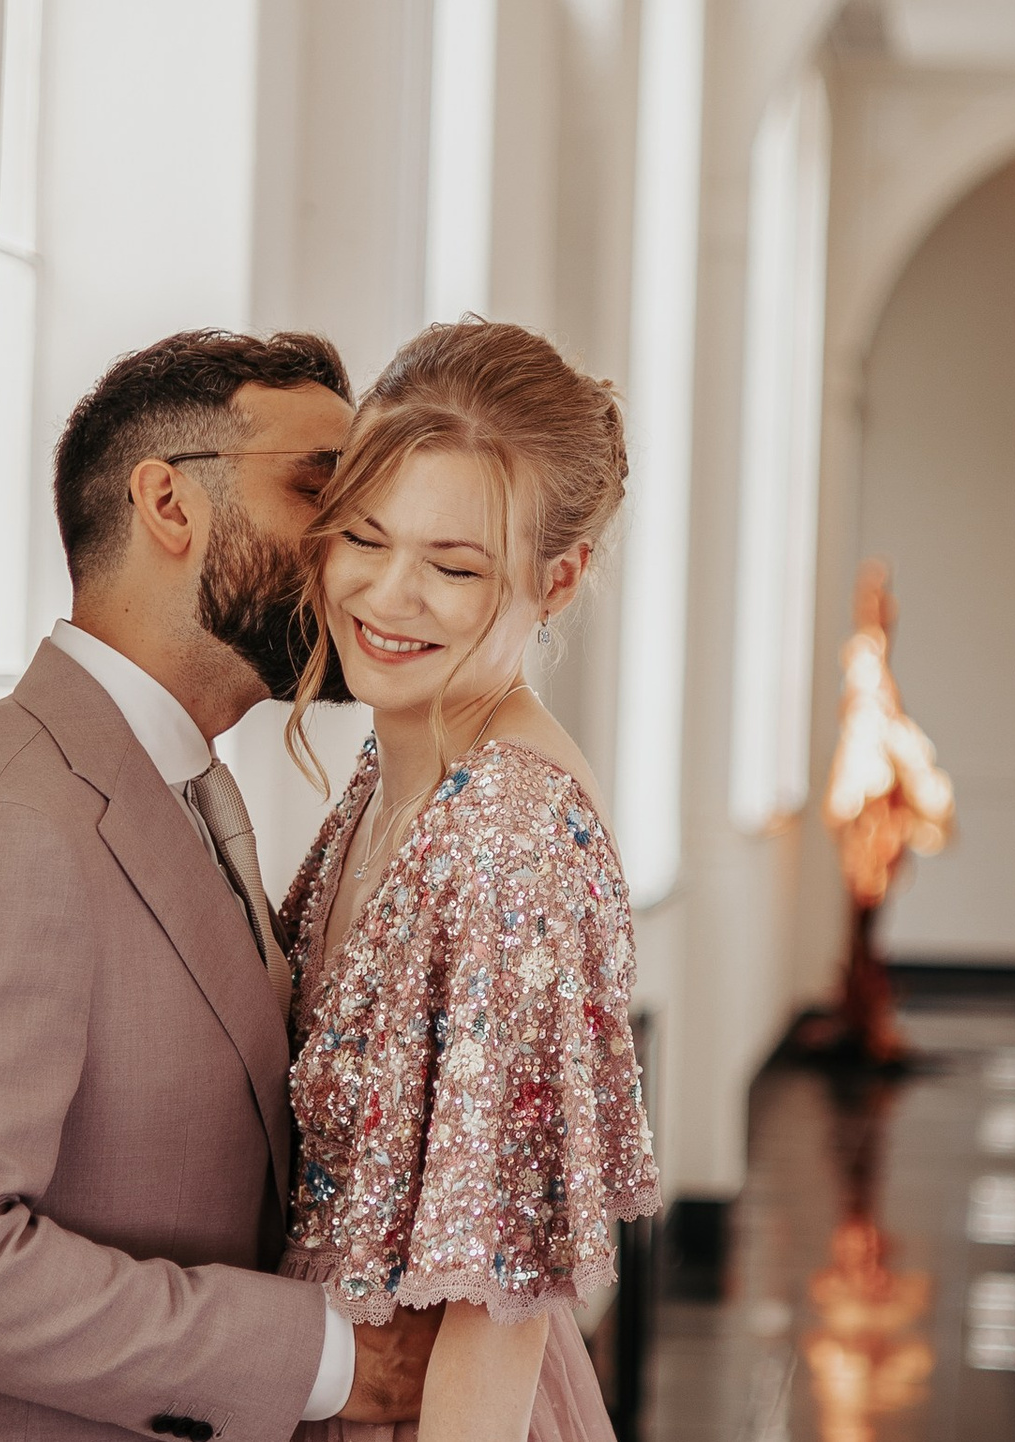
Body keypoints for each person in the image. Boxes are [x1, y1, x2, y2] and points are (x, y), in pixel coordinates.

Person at [0, 330, 436, 1442]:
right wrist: (328, 1362)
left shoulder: (172, 783)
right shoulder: (6, 820)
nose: (357, 550)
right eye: (320, 490)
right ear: (167, 503)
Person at [273, 320, 661, 1442]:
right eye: (364, 536)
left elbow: (497, 1315)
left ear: (559, 577)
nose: (387, 595)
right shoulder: (400, 767)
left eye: (453, 568)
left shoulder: (510, 835)